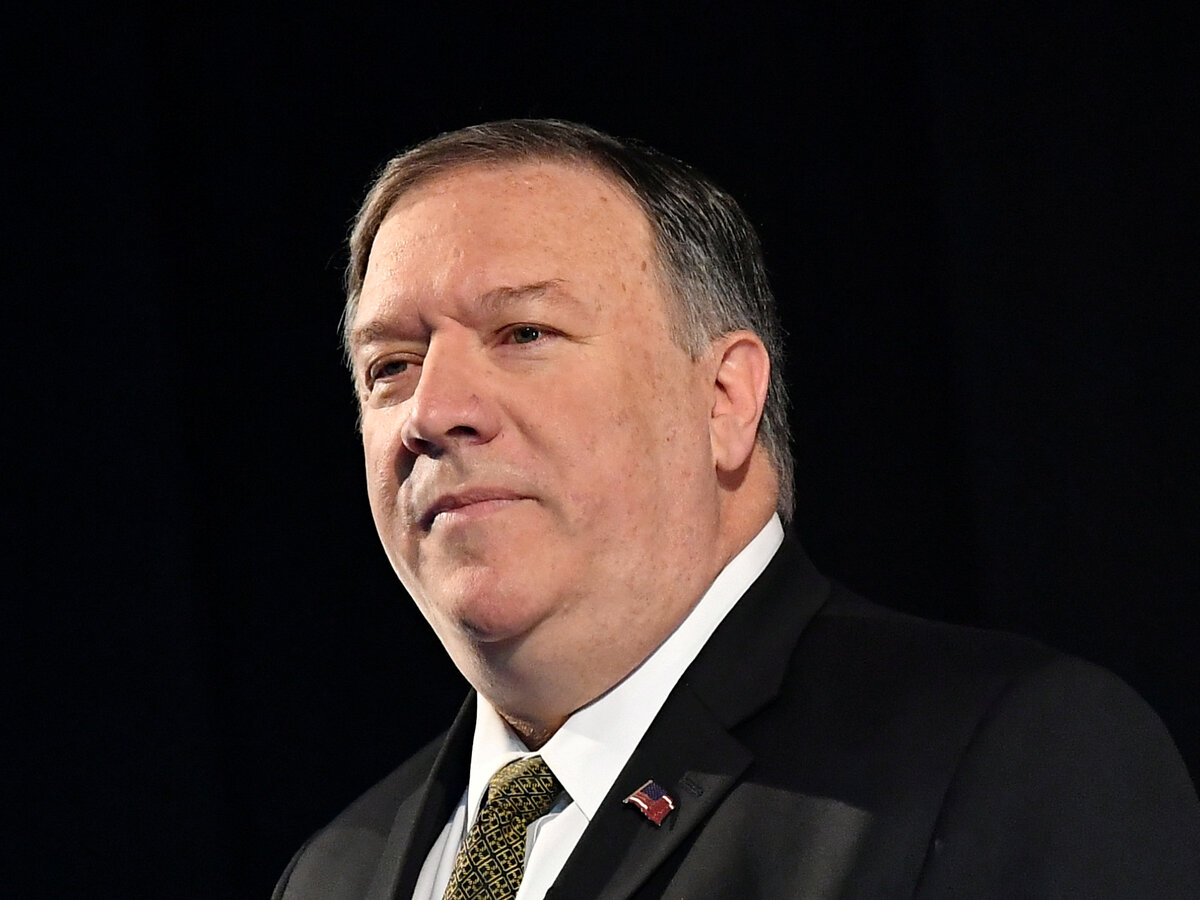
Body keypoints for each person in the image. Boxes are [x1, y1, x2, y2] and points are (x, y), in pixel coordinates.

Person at [274, 119, 1200, 899]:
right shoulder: (331, 876)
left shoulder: (1002, 761)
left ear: (722, 400)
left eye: (523, 332)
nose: (432, 411)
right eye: (390, 366)